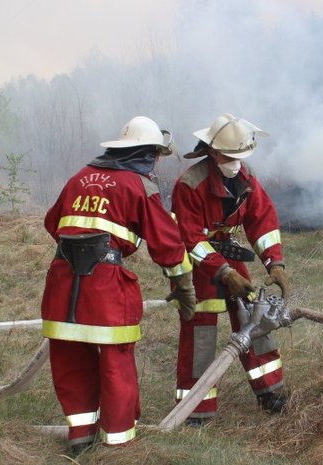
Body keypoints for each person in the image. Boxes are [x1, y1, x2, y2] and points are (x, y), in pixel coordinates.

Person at [39, 116, 196, 454]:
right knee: (116, 363)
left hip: (62, 284)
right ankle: (120, 444)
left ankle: (80, 438)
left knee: (70, 359)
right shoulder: (140, 186)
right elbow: (167, 243)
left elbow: (53, 223)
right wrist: (182, 284)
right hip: (107, 288)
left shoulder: (79, 177)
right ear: (148, 153)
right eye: (156, 156)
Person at [170, 113, 292, 425]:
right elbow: (191, 239)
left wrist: (274, 262)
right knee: (201, 335)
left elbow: (262, 220)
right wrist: (223, 273)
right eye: (229, 156)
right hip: (200, 264)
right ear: (212, 152)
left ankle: (272, 393)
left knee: (255, 320)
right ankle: (197, 409)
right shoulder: (190, 184)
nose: (235, 163)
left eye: (240, 156)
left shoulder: (245, 178)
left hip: (231, 254)